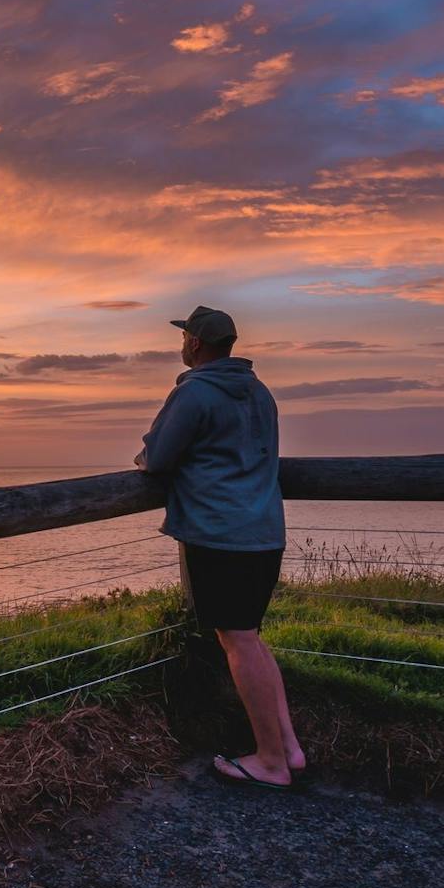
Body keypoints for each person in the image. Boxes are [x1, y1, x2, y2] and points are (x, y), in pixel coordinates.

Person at [134, 305, 304, 789]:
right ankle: (288, 748)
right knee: (249, 636)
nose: (182, 343)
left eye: (184, 336)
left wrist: (146, 456)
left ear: (194, 344)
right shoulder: (258, 392)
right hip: (263, 531)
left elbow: (160, 457)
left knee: (238, 640)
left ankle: (270, 761)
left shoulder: (195, 393)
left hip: (218, 532)